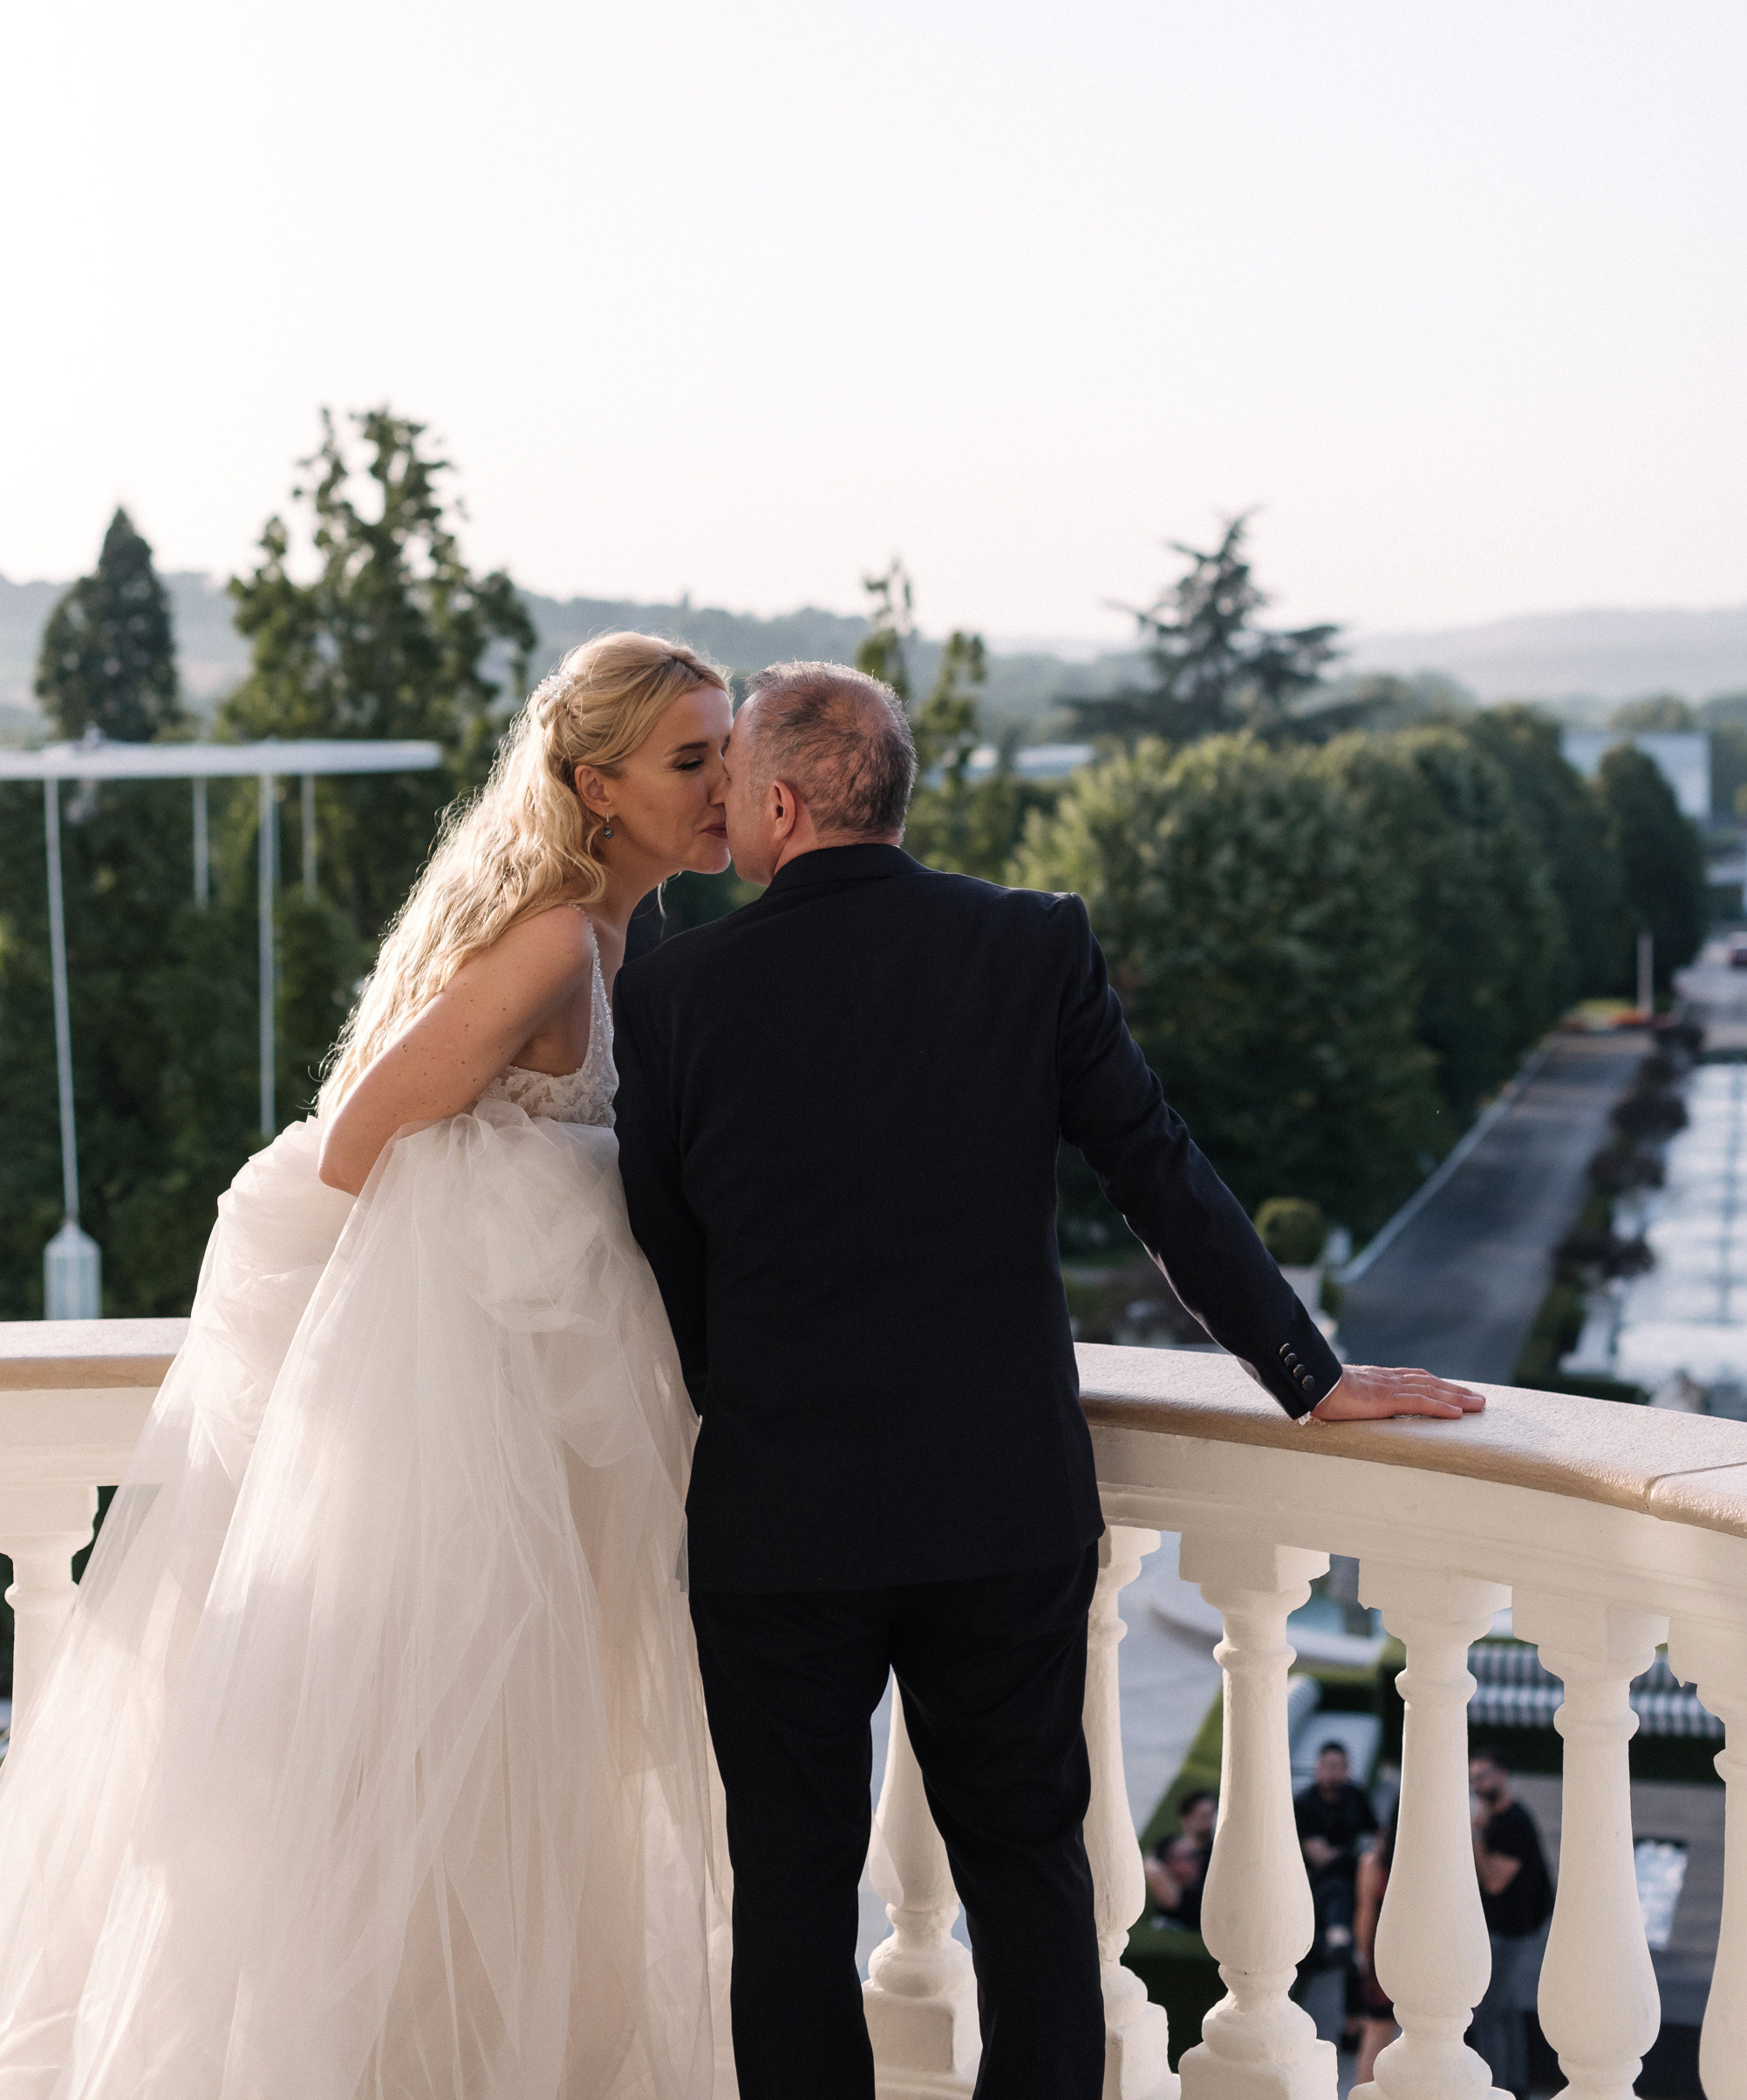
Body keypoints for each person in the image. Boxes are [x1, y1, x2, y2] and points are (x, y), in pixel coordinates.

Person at [612, 658, 1486, 2100]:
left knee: (786, 1893)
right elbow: (1159, 1171)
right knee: (1028, 1880)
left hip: (782, 1511)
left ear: (774, 802)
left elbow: (668, 1246)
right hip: (998, 1501)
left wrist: (754, 1386)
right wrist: (1301, 1370)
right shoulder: (1030, 945)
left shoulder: (675, 992)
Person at [0, 634, 738, 2100]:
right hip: (467, 1436)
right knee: (440, 1767)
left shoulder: (614, 938)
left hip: (544, 1422)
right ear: (596, 786)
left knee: (528, 1783)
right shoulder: (545, 940)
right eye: (690, 759)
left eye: (725, 750)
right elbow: (354, 1147)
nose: (727, 782)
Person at [1466, 1749, 1553, 2100]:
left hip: (1510, 1934)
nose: (1480, 1784)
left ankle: (1494, 2088)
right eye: (1474, 1779)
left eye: (1485, 1775)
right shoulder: (1501, 1821)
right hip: (1507, 1931)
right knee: (1505, 2012)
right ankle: (1513, 2087)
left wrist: (1472, 1836)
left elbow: (1493, 1882)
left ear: (1503, 1775)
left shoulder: (1513, 1824)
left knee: (1488, 2014)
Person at [1293, 1741, 1377, 2042]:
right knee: (1339, 1889)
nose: (1335, 1773)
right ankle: (1338, 1937)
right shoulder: (1304, 1804)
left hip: (1355, 1883)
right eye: (1329, 1767)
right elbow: (1319, 1857)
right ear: (1317, 1768)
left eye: (1340, 1767)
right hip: (1317, 1887)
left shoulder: (1354, 1794)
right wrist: (1355, 1855)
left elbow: (1374, 1834)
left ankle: (1352, 2029)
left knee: (1357, 1949)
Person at [1352, 1800, 1399, 2081]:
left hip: (1382, 1958)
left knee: (1376, 2033)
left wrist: (1362, 1956)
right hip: (1422, 1958)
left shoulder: (1373, 1862)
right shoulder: (1436, 1864)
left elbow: (1365, 1915)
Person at [1143, 1835, 1208, 1932]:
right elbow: (1151, 1869)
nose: (1199, 1860)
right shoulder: (1175, 1899)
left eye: (1197, 1854)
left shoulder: (1202, 1883)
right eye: (1191, 1856)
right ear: (1170, 1864)